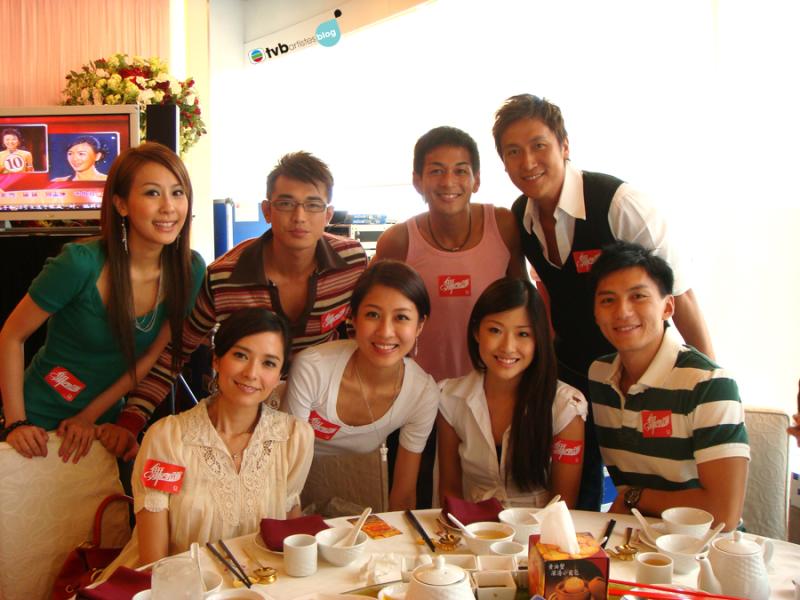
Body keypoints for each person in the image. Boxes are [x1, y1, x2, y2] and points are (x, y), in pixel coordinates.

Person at [493, 93, 714, 510]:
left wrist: (711, 385)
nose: (528, 162)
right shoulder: (520, 216)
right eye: (513, 151)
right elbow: (545, 289)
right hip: (576, 371)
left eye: (539, 145)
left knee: (655, 488)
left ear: (564, 146)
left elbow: (680, 294)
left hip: (644, 371)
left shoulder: (620, 204)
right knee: (578, 493)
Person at [109, 151, 368, 459]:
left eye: (313, 205)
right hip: (247, 409)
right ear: (267, 211)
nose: (299, 217)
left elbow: (363, 334)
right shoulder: (224, 277)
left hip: (321, 406)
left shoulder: (351, 262)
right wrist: (131, 420)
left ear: (328, 215)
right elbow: (176, 352)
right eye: (286, 204)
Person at [0, 142, 205, 463]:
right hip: (35, 418)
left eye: (178, 192)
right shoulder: (79, 263)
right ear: (121, 204)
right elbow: (12, 335)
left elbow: (151, 356)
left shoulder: (190, 269)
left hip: (99, 425)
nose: (169, 207)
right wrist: (16, 422)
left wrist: (89, 416)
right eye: (152, 193)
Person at [102, 308, 314, 571]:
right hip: (172, 584)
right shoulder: (168, 439)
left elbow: (289, 536)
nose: (251, 373)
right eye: (240, 355)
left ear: (280, 375)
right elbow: (154, 562)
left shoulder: (294, 438)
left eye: (268, 363)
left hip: (262, 584)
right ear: (216, 360)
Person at [589, 242, 748, 529]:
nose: (622, 312)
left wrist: (635, 497)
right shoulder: (599, 376)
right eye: (608, 300)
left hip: (701, 543)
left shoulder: (709, 384)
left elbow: (724, 512)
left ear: (668, 307)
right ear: (595, 313)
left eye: (638, 296)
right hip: (633, 538)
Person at [375, 126, 526, 382]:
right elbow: (373, 315)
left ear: (476, 180)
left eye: (460, 171)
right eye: (436, 171)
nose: (448, 182)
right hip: (419, 389)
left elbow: (523, 301)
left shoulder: (503, 225)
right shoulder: (398, 242)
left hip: (492, 384)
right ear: (418, 181)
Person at [285, 260, 439, 511]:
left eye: (401, 317)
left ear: (419, 325)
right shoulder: (313, 369)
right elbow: (285, 476)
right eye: (373, 315)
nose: (385, 332)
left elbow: (404, 494)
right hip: (287, 490)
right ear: (353, 318)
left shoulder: (422, 394)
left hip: (356, 491)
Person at [437, 277, 587, 508]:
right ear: (477, 332)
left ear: (539, 339)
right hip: (471, 526)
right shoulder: (449, 398)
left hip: (539, 527)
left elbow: (563, 503)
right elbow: (450, 490)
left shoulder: (566, 406)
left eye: (523, 334)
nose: (507, 347)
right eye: (495, 330)